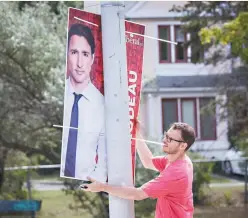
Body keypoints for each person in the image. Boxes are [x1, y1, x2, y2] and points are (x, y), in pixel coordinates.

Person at [82, 121, 195, 218]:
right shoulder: (177, 160)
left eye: (170, 139)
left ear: (183, 146)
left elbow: (138, 194)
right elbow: (148, 161)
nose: (164, 140)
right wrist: (136, 133)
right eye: (166, 135)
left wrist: (102, 187)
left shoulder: (176, 172)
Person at [60, 23, 107, 182]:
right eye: (74, 52)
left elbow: (103, 162)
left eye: (85, 54)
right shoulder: (56, 95)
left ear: (93, 58)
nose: (80, 63)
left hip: (84, 188)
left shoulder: (102, 105)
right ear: (67, 55)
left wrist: (88, 185)